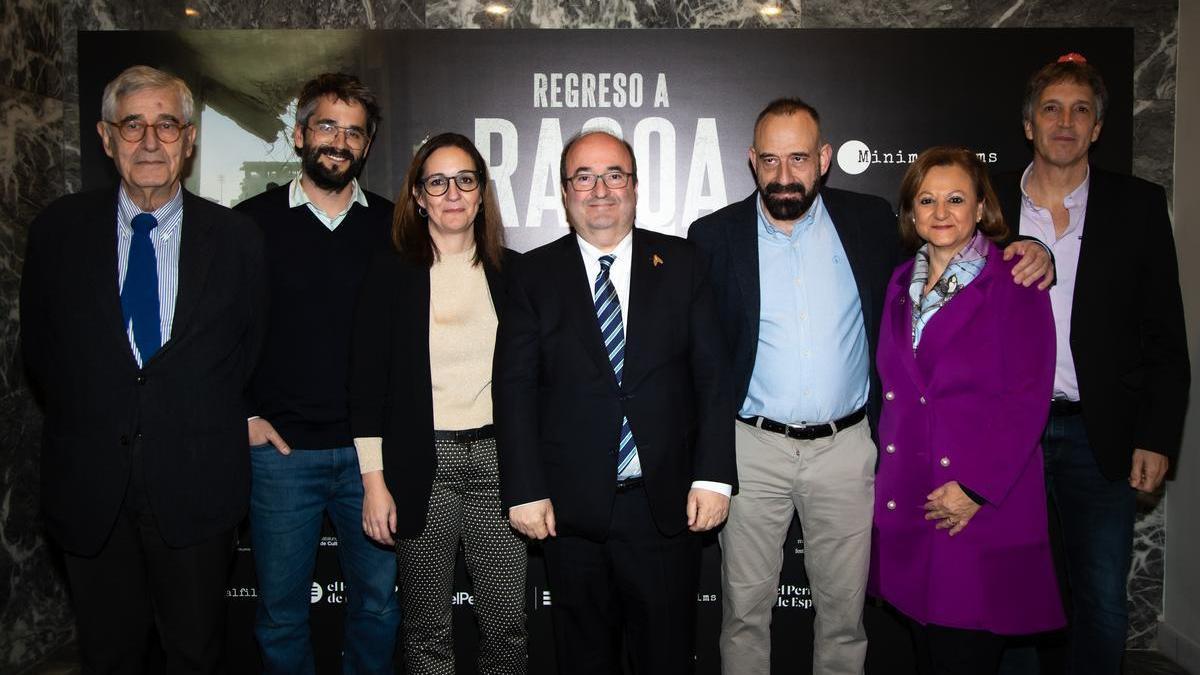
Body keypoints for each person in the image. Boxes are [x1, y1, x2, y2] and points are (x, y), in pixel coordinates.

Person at [687, 98, 1054, 675]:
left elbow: (960, 253)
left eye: (800, 158)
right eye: (771, 160)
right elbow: (699, 358)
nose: (785, 176)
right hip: (751, 450)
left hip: (848, 450)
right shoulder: (711, 237)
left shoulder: (870, 222)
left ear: (825, 159)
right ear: (752, 161)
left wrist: (1035, 248)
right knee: (743, 616)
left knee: (843, 619)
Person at [19, 65, 266, 672]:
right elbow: (43, 357)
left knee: (196, 653)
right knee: (108, 656)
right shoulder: (58, 232)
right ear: (106, 138)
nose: (150, 141)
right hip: (91, 491)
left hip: (196, 491)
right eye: (133, 125)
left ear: (190, 138)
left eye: (166, 124)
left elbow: (248, 352)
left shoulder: (237, 239)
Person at [494, 129, 736, 674]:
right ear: (565, 191)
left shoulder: (683, 263)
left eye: (613, 175)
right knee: (583, 661)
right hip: (570, 511)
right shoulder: (532, 276)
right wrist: (526, 488)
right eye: (584, 176)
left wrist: (714, 476)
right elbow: (514, 389)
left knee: (666, 659)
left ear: (633, 186)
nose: (599, 188)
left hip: (666, 506)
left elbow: (713, 379)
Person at [993, 54, 1189, 675]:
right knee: (1011, 599)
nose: (1065, 122)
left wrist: (1156, 437)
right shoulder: (985, 210)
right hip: (1008, 436)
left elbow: (1165, 334)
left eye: (1081, 110)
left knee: (1102, 602)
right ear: (1029, 124)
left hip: (1098, 435)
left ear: (1098, 127)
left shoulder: (1137, 207)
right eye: (1051, 108)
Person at [870, 146, 1064, 675]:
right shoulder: (897, 285)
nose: (941, 212)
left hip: (976, 504)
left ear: (981, 207)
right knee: (928, 651)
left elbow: (1028, 398)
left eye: (956, 199)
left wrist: (976, 488)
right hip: (914, 497)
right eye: (927, 200)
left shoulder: (1015, 281)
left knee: (965, 652)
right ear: (910, 212)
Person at [234, 73, 399, 674]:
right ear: (300, 133)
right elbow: (216, 334)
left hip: (371, 461)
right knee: (280, 614)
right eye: (327, 125)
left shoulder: (393, 227)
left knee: (378, 606)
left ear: (367, 146)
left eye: (353, 132)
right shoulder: (247, 225)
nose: (339, 140)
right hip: (281, 458)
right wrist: (244, 416)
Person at [351, 132, 527, 674]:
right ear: (418, 196)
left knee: (508, 627)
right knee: (426, 630)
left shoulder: (514, 273)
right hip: (418, 465)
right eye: (437, 181)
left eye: (465, 180)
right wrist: (374, 484)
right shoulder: (389, 274)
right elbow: (366, 387)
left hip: (500, 465)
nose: (453, 192)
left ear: (481, 194)